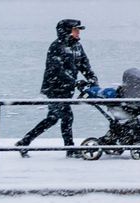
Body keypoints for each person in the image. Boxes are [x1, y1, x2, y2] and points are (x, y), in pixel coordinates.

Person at [16, 17, 98, 157]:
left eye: (78, 30)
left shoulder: (77, 46)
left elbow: (84, 64)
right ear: (67, 31)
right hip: (54, 89)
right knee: (67, 116)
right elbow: (57, 70)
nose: (78, 32)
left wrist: (92, 79)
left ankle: (24, 142)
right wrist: (75, 82)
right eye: (75, 30)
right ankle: (70, 149)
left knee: (53, 118)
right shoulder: (56, 47)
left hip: (67, 89)